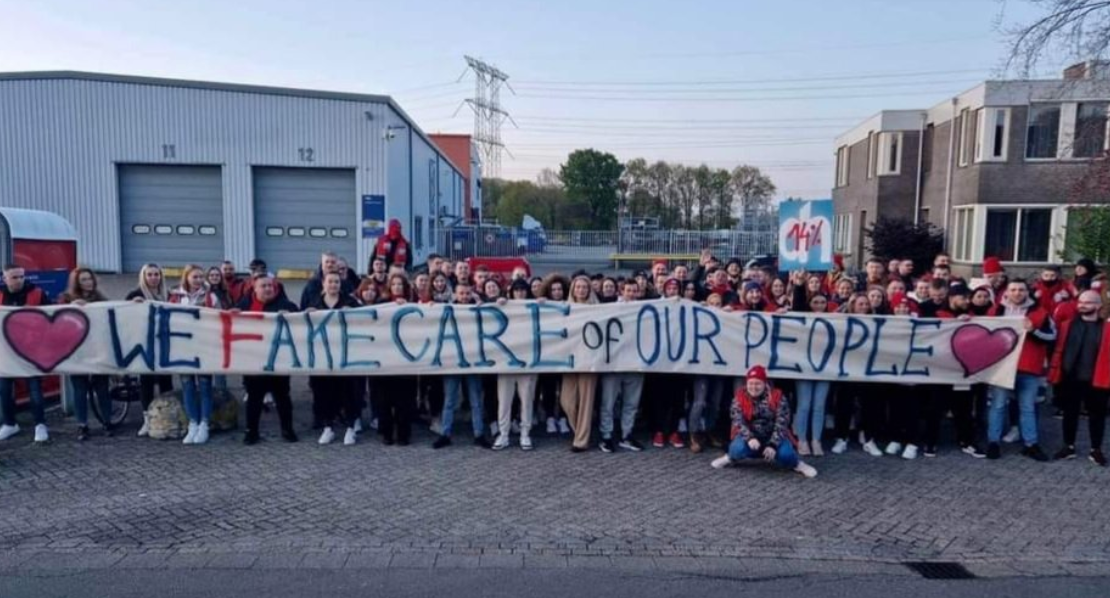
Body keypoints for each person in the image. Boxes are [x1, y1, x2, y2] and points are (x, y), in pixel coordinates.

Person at [985, 279, 1055, 461]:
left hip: (1028, 367)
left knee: (1027, 408)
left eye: (1021, 290)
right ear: (1006, 292)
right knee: (998, 406)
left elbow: (1052, 337)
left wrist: (1033, 331)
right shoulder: (995, 311)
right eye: (1013, 289)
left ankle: (1031, 444)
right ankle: (993, 443)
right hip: (1002, 367)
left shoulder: (1040, 312)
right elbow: (983, 335)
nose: (1017, 293)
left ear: (1027, 292)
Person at [710, 365, 817, 478]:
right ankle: (731, 457)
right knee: (737, 449)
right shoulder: (739, 397)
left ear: (765, 384)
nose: (754, 387)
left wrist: (773, 444)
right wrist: (749, 438)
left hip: (773, 437)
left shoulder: (777, 396)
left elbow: (782, 423)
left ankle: (797, 464)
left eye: (758, 384)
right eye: (751, 383)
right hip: (750, 438)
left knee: (786, 454)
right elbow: (738, 420)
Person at [1048, 290, 1110, 466]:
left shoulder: (1107, 328)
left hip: (1097, 378)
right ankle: (1068, 446)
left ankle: (1096, 449)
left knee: (1097, 416)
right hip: (1070, 378)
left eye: (1088, 302)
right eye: (1081, 302)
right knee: (1069, 414)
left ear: (1098, 305)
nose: (1082, 305)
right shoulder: (1066, 325)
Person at [235, 276, 300, 445]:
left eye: (270, 286)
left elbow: (301, 323)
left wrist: (293, 317)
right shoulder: (244, 306)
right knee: (254, 398)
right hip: (254, 360)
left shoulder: (287, 305)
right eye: (263, 286)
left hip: (279, 360)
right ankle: (251, 431)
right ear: (255, 289)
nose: (268, 289)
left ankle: (287, 429)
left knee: (282, 397)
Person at [305, 271, 362, 446]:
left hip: (346, 356)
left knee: (349, 392)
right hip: (323, 357)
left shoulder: (350, 302)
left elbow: (365, 320)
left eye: (337, 282)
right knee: (325, 393)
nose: (333, 285)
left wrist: (354, 313)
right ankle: (328, 427)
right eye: (330, 282)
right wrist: (307, 314)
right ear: (324, 283)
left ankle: (350, 428)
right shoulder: (315, 303)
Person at [57, 268, 113, 441]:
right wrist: (70, 307)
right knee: (80, 389)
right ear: (76, 283)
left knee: (102, 388)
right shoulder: (66, 299)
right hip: (77, 350)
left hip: (97, 349)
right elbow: (58, 318)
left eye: (90, 279)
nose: (88, 282)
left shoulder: (100, 298)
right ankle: (82, 425)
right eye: (83, 280)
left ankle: (107, 422)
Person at [433, 281, 490, 449]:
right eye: (461, 293)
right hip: (453, 361)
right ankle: (445, 434)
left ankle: (479, 434)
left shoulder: (479, 309)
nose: (464, 297)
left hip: (473, 361)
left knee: (475, 400)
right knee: (449, 400)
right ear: (455, 295)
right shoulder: (447, 309)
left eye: (467, 293)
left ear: (472, 294)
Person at [168, 265, 221, 445]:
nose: (198, 280)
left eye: (200, 277)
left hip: (204, 347)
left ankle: (204, 423)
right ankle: (193, 422)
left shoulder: (211, 297)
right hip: (182, 348)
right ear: (187, 278)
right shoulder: (175, 297)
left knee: (205, 386)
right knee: (187, 385)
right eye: (195, 277)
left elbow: (220, 318)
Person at [0, 264, 51, 442]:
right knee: (4, 390)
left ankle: (40, 424)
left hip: (31, 351)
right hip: (5, 352)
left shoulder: (37, 293)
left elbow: (51, 316)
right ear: (5, 279)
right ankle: (9, 423)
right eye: (14, 277)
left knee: (35, 389)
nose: (19, 280)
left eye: (22, 276)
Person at [598, 280, 646, 453]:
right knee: (608, 402)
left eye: (634, 291)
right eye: (628, 290)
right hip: (614, 364)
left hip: (635, 364)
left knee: (631, 403)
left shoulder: (644, 310)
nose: (631, 294)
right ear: (621, 291)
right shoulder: (610, 307)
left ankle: (626, 435)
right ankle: (606, 436)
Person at [126, 263, 174, 436]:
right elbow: (124, 318)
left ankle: (166, 417)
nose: (154, 278)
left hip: (165, 344)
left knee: (166, 382)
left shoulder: (168, 295)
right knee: (146, 382)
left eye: (156, 274)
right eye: (150, 274)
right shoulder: (135, 295)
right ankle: (147, 419)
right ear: (144, 277)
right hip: (144, 345)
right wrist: (132, 306)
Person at [493, 283, 538, 451]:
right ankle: (503, 433)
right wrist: (497, 302)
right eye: (516, 290)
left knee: (526, 400)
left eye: (523, 290)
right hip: (506, 363)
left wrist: (543, 303)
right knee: (504, 401)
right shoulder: (505, 306)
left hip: (527, 362)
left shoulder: (534, 307)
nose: (520, 293)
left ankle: (525, 433)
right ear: (512, 292)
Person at [561, 274, 599, 452]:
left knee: (586, 401)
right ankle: (580, 431)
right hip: (570, 360)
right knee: (567, 401)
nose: (581, 290)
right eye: (578, 287)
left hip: (589, 361)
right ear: (573, 289)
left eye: (585, 287)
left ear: (589, 290)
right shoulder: (564, 308)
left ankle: (581, 440)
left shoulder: (598, 309)